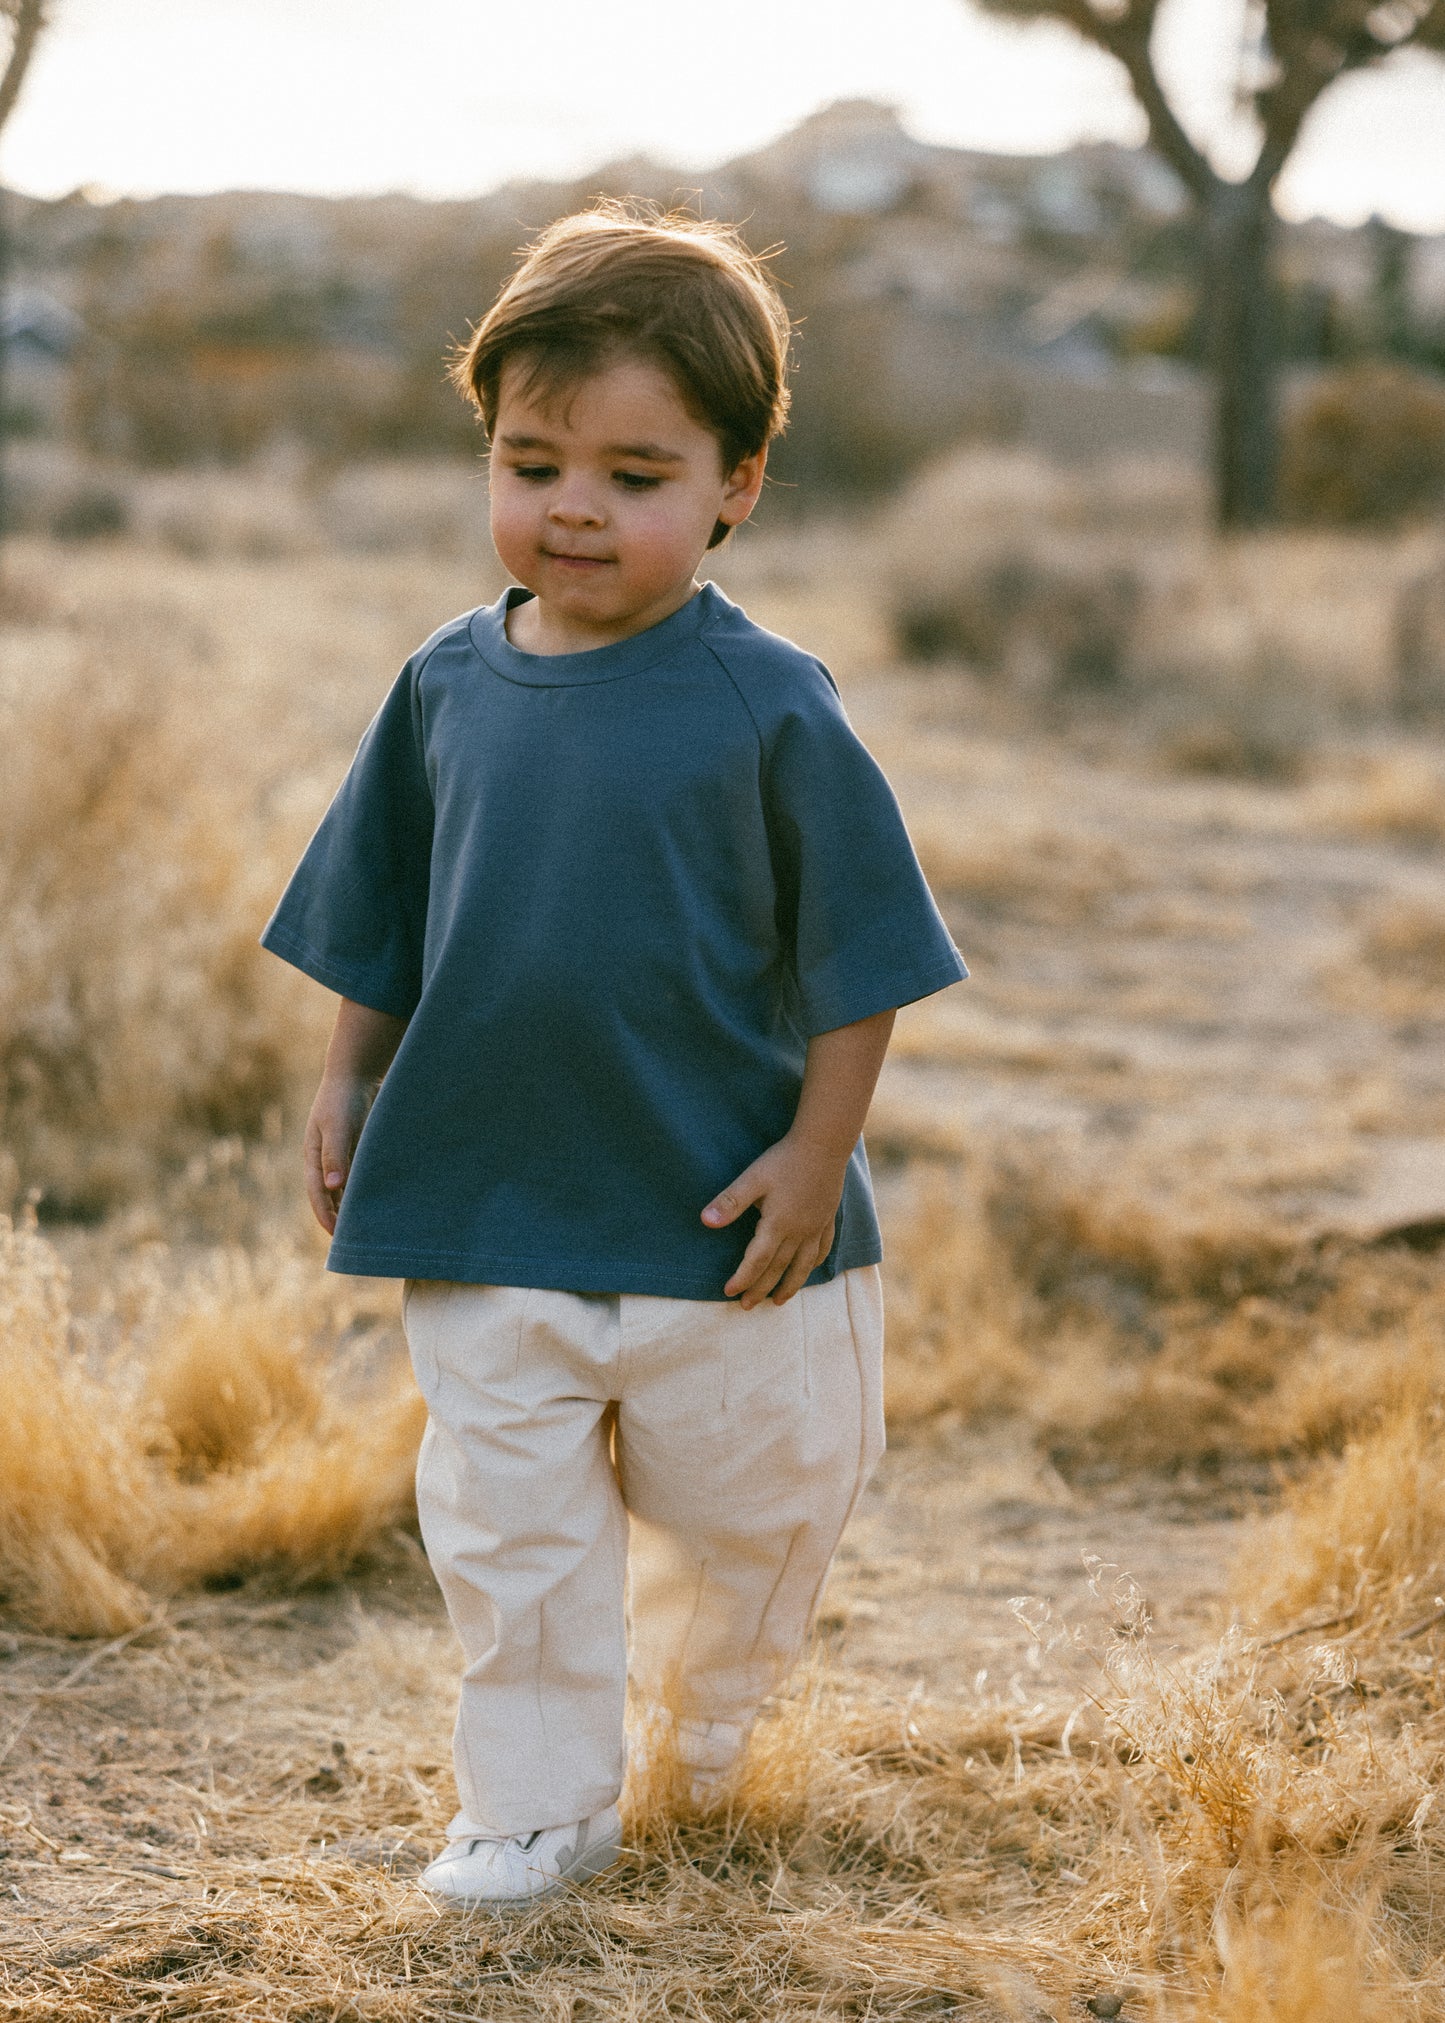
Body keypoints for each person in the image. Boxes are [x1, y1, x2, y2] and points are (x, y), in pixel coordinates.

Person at [261, 201, 967, 1911]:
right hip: (486, 1194)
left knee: (753, 1518)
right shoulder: (444, 684)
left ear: (735, 487)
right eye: (532, 461)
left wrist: (817, 1160)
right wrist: (352, 1077)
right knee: (505, 1534)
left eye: (636, 475)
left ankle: (715, 1750)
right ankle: (532, 1811)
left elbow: (859, 962)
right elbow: (383, 917)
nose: (573, 506)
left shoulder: (769, 702)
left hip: (723, 1222)